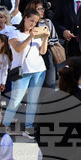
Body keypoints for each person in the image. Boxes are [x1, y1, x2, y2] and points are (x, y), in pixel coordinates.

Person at [4, 9, 49, 137]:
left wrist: (45, 38)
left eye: (35, 22)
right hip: (22, 72)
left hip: (39, 69)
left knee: (32, 101)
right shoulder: (15, 33)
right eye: (31, 21)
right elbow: (18, 48)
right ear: (24, 18)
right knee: (15, 100)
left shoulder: (37, 33)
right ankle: (5, 125)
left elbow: (43, 52)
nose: (33, 24)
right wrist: (30, 36)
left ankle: (28, 127)